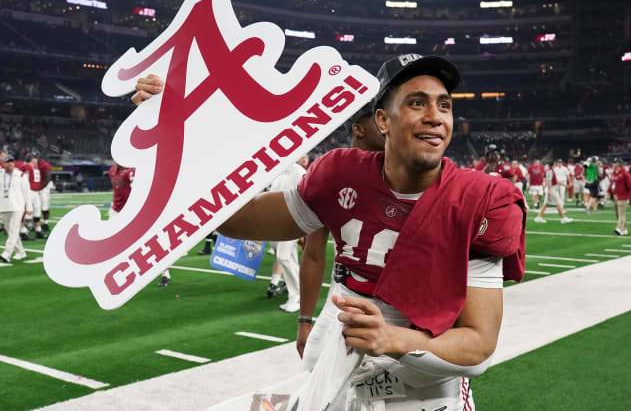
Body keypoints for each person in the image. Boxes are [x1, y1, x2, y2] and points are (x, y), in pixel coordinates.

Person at [216, 54, 526, 410]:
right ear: (383, 120)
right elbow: (233, 218)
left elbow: (478, 348)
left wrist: (391, 338)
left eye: (444, 105)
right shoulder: (341, 174)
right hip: (338, 360)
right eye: (416, 103)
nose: (435, 117)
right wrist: (176, 121)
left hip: (422, 384)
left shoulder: (480, 200)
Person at [297, 101, 385, 358]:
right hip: (342, 301)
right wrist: (304, 319)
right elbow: (313, 252)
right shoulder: (332, 174)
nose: (387, 121)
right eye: (378, 117)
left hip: (401, 312)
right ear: (359, 129)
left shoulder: (410, 170)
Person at [266, 157, 308, 312]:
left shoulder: (298, 171)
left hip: (293, 220)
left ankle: (296, 296)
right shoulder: (275, 172)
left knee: (283, 256)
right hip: (277, 221)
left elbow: (307, 195)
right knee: (288, 257)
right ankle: (295, 295)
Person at [0, 155, 32, 263]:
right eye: (7, 162)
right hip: (4, 206)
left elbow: (27, 192)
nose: (10, 164)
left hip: (17, 206)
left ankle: (7, 253)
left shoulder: (21, 175)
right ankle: (21, 252)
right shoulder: (0, 175)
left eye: (11, 161)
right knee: (10, 231)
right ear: (3, 164)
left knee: (13, 230)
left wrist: (29, 207)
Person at [608, 158, 631, 235]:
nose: (612, 164)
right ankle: (624, 228)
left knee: (621, 213)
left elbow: (630, 185)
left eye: (614, 163)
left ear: (618, 164)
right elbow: (612, 183)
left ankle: (619, 228)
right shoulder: (614, 173)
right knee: (617, 213)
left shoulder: (625, 173)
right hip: (615, 195)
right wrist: (609, 191)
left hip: (622, 195)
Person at [23, 155, 47, 239]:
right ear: (31, 159)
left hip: (35, 192)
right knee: (26, 212)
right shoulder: (27, 167)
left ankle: (38, 230)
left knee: (37, 212)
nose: (37, 160)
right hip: (29, 191)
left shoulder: (36, 168)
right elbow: (25, 180)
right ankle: (23, 231)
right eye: (35, 158)